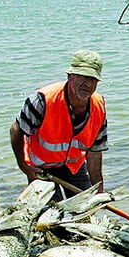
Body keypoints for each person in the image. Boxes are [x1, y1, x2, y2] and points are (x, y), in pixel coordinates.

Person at [10, 50, 108, 199]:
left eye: (93, 79)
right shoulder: (42, 100)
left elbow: (94, 152)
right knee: (49, 215)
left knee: (84, 207)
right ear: (70, 76)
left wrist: (99, 191)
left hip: (73, 167)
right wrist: (24, 166)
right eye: (83, 76)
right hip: (40, 167)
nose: (88, 84)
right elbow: (16, 130)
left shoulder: (98, 106)